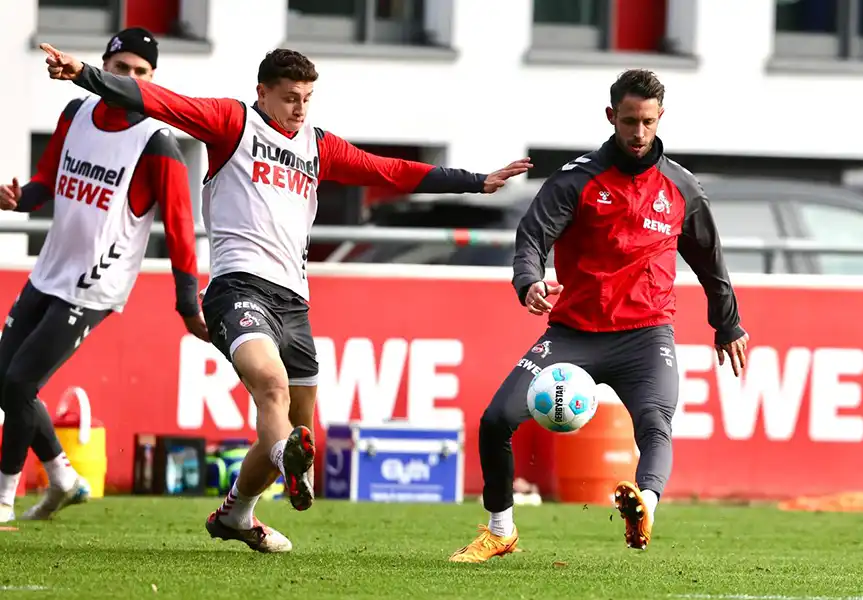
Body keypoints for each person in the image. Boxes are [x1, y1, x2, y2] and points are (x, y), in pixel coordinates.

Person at [39, 42, 532, 553]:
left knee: (298, 433)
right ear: (262, 93)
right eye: (290, 97)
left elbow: (388, 170)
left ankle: (237, 513)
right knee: (270, 388)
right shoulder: (232, 123)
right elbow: (162, 100)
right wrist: (86, 75)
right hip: (236, 287)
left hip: (294, 302)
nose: (299, 107)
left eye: (307, 98)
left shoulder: (318, 145)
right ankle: (285, 467)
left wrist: (475, 181)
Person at [449, 69, 749, 563]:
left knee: (656, 424)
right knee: (495, 420)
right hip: (574, 334)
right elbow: (531, 239)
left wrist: (728, 323)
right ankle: (500, 530)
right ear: (611, 117)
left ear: (661, 118)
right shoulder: (577, 179)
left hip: (646, 335)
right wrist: (529, 283)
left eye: (648, 122)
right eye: (629, 121)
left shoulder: (680, 187)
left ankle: (644, 507)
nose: (638, 133)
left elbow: (710, 260)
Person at [0, 28, 208, 523]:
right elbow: (47, 181)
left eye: (142, 72)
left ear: (153, 80)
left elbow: (181, 229)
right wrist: (18, 199)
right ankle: (66, 478)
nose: (130, 78)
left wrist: (187, 302)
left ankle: (4, 498)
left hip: (95, 287)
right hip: (49, 270)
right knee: (5, 381)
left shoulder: (157, 143)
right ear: (104, 67)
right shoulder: (75, 114)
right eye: (122, 68)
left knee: (19, 381)